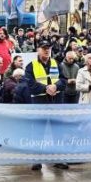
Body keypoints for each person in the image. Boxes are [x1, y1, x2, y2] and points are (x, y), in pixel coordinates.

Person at [25, 42, 67, 170]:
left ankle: (59, 159)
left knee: (58, 132)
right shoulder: (30, 66)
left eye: (48, 48)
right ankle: (36, 160)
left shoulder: (56, 63)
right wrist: (46, 88)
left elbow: (63, 80)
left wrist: (56, 86)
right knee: (38, 132)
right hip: (40, 102)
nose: (46, 51)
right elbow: (30, 85)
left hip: (56, 102)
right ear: (38, 50)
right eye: (44, 48)